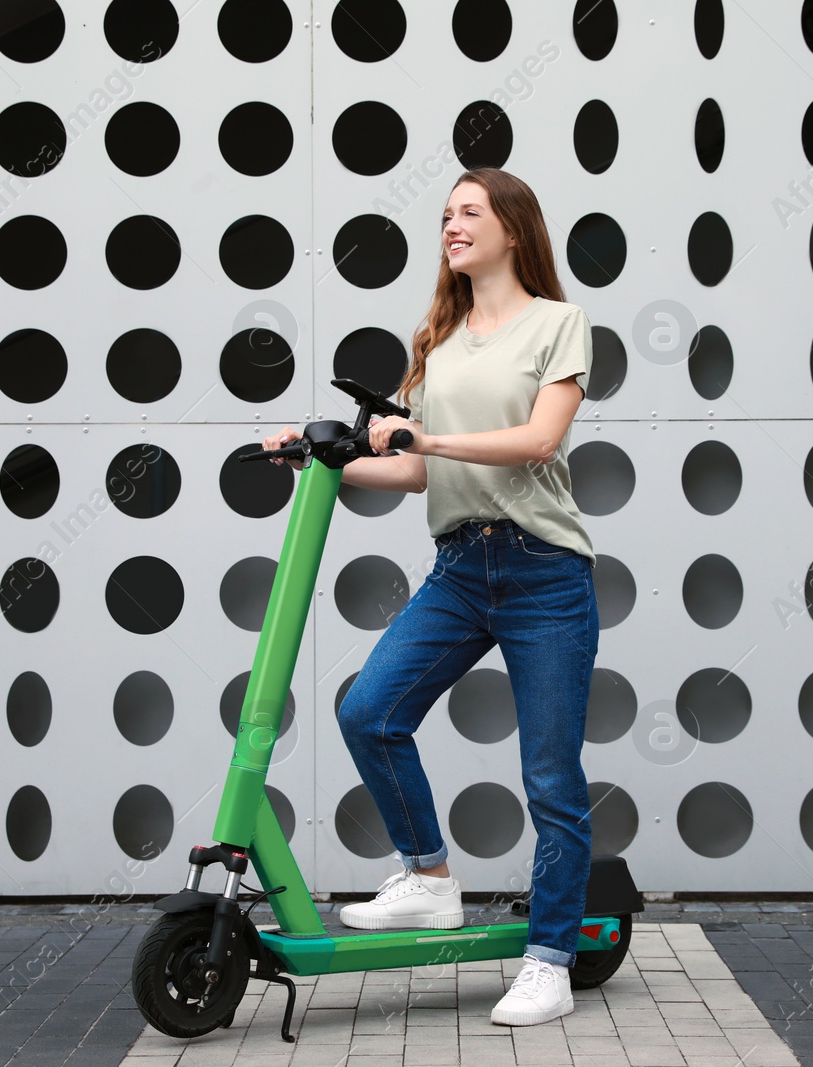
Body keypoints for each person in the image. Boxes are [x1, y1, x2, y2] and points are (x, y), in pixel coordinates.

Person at [262, 167, 599, 1026]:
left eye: (469, 213)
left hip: (544, 574)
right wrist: (316, 454)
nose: (452, 226)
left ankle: (551, 959)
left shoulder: (558, 325)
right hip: (461, 567)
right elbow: (415, 469)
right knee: (369, 708)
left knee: (551, 777)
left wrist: (433, 434)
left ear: (513, 229)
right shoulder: (438, 340)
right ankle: (431, 879)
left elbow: (536, 441)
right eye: (446, 214)